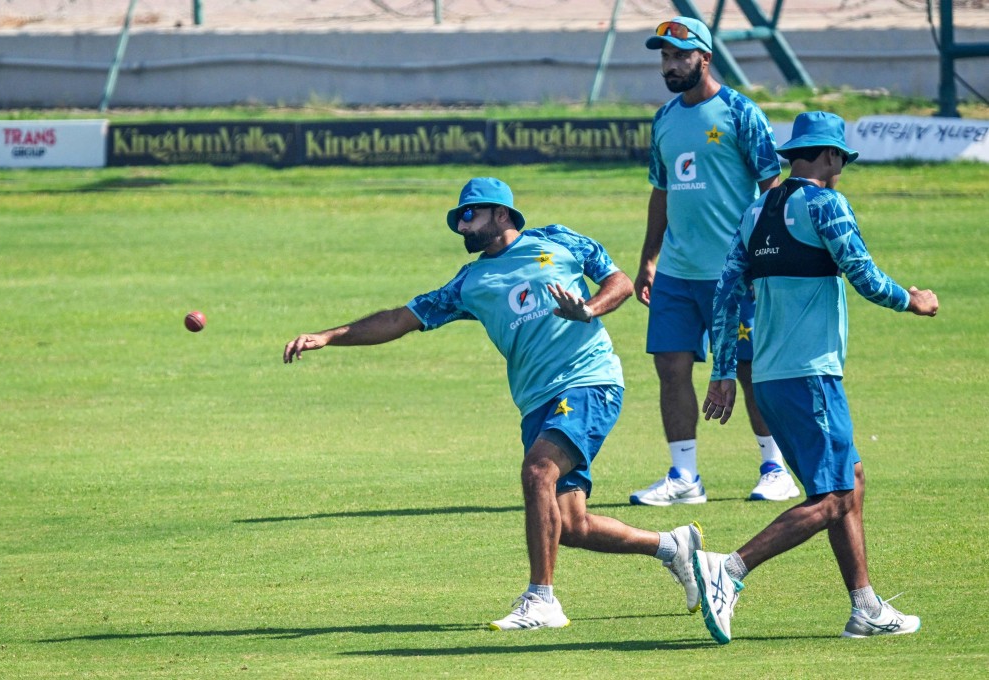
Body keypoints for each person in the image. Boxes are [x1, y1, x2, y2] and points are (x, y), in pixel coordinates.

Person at [283, 177, 705, 630]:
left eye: (470, 215)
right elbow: (399, 319)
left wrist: (589, 309)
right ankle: (673, 546)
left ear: (502, 213)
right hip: (536, 401)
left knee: (538, 471)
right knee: (571, 524)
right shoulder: (469, 283)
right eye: (459, 219)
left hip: (589, 382)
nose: (462, 226)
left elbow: (618, 281)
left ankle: (542, 600)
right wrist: (327, 336)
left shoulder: (558, 240)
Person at [692, 111, 939, 644]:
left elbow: (725, 293)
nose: (841, 169)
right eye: (841, 160)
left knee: (849, 479)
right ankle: (729, 569)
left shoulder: (756, 210)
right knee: (829, 498)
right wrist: (913, 301)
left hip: (772, 380)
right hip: (811, 377)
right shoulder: (826, 204)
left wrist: (722, 372)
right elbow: (864, 276)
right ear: (829, 156)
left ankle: (866, 607)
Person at [629, 16, 801, 507]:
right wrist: (649, 259)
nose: (669, 65)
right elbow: (661, 192)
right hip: (677, 274)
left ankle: (775, 467)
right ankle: (685, 477)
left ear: (704, 57)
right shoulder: (663, 118)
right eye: (663, 57)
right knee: (671, 367)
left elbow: (773, 187)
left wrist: (766, 254)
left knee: (748, 369)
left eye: (679, 56)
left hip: (735, 272)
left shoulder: (741, 112)